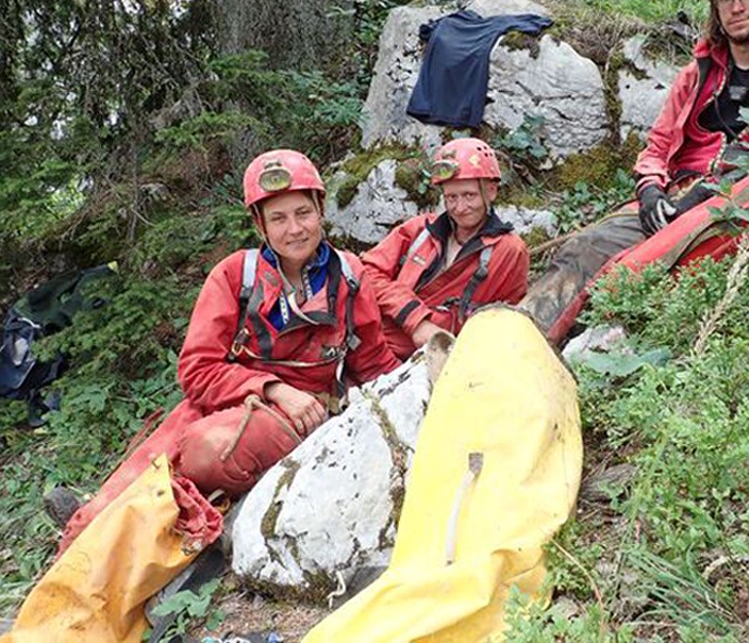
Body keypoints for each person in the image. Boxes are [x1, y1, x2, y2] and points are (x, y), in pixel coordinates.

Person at [56, 148, 400, 551]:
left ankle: (161, 525)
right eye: (278, 218)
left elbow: (374, 362)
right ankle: (84, 538)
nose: (294, 229)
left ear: (320, 210)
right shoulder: (237, 275)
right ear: (260, 224)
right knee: (117, 496)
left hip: (296, 417)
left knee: (209, 451)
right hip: (224, 400)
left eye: (303, 213)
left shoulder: (349, 277)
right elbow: (198, 371)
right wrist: (272, 388)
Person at [521, 0, 749, 343]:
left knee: (633, 268)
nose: (736, 8)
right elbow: (657, 147)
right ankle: (517, 338)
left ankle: (583, 332)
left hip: (738, 206)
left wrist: (705, 197)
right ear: (716, 10)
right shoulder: (696, 74)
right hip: (672, 201)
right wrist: (651, 190)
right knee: (584, 246)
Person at [361, 138, 530, 360]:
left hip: (438, 360)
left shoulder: (508, 251)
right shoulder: (420, 230)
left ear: (491, 191)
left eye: (469, 195)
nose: (459, 208)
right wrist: (416, 320)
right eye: (451, 197)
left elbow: (509, 319)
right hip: (372, 345)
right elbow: (367, 272)